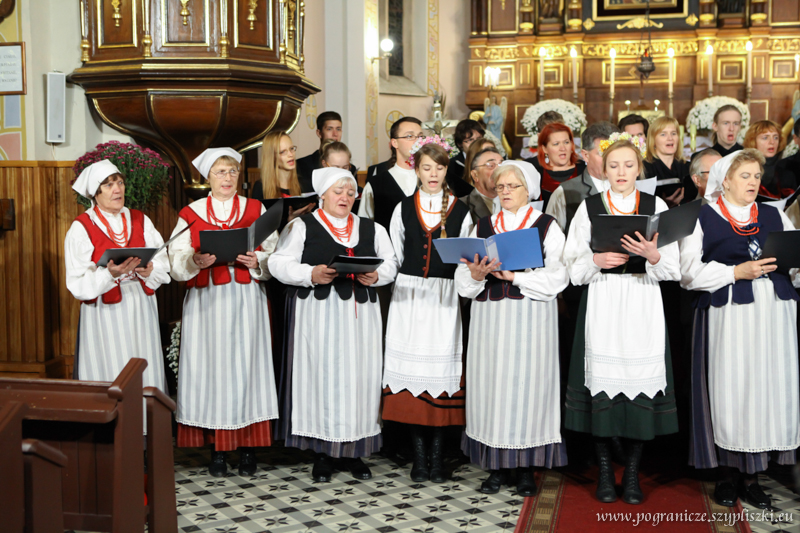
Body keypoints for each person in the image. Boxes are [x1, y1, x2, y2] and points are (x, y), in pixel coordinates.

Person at [564, 134, 680, 505]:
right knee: (603, 386)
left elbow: (675, 267)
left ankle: (631, 475)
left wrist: (652, 254)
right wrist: (594, 261)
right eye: (613, 165)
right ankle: (602, 472)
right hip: (603, 299)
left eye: (629, 165)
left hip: (642, 299)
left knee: (638, 384)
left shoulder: (655, 203)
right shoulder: (590, 206)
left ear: (639, 168)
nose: (621, 172)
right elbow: (571, 264)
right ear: (602, 167)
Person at [680, 149, 800, 509]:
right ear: (726, 180)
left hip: (774, 314)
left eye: (755, 175)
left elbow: (794, 261)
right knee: (732, 387)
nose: (753, 182)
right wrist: (736, 272)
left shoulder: (774, 214)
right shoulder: (703, 216)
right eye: (744, 175)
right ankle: (728, 475)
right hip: (729, 313)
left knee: (767, 389)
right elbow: (688, 273)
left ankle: (753, 477)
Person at [268, 167, 399, 483]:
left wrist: (378, 275)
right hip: (319, 313)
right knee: (322, 376)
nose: (345, 197)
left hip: (361, 318)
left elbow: (392, 262)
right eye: (338, 191)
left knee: (360, 378)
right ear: (323, 194)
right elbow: (277, 262)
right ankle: (322, 454)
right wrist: (309, 274)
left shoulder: (372, 228)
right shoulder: (302, 225)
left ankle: (355, 451)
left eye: (350, 192)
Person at [456, 160, 569, 496]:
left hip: (532, 318)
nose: (505, 192)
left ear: (528, 190)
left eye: (512, 187)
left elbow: (560, 276)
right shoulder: (482, 225)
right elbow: (463, 278)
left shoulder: (546, 225)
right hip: (491, 319)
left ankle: (524, 468)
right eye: (500, 187)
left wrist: (516, 276)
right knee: (492, 387)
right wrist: (476, 275)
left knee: (529, 388)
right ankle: (496, 466)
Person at [168, 148, 280, 478]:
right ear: (208, 178)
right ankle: (217, 449)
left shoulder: (256, 209)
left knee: (248, 367)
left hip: (246, 297)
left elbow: (275, 253)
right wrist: (194, 261)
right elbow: (175, 260)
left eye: (232, 172)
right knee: (212, 370)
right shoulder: (190, 213)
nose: (227, 178)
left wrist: (257, 261)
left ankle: (248, 447)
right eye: (220, 172)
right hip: (208, 301)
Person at [382, 140, 472, 483]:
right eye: (426, 168)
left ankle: (437, 456)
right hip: (409, 297)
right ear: (416, 169)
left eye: (439, 167)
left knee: (440, 377)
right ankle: (419, 458)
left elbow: (465, 261)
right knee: (411, 374)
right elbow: (394, 255)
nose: (433, 174)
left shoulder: (462, 212)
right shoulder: (403, 208)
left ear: (447, 170)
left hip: (444, 299)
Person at [65, 160, 170, 432]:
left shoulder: (140, 219)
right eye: (109, 184)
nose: (117, 189)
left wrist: (149, 270)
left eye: (120, 182)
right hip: (105, 313)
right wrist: (108, 275)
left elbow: (164, 262)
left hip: (140, 306)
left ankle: (147, 440)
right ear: (95, 193)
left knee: (143, 367)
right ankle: (110, 438)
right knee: (111, 368)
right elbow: (77, 282)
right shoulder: (81, 227)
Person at [546, 121, 619, 233]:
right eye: (602, 153)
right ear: (586, 156)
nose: (611, 160)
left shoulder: (630, 186)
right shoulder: (566, 192)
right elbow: (552, 239)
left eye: (615, 153)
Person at [358, 117, 424, 230]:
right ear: (394, 142)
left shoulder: (433, 178)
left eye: (421, 136)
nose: (418, 141)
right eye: (410, 136)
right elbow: (365, 225)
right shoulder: (376, 184)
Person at [527, 122, 585, 211]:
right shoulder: (535, 174)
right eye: (556, 144)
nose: (563, 148)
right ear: (545, 149)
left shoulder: (584, 170)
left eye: (566, 142)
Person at [296, 111, 357, 190]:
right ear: (319, 133)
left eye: (338, 129)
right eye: (329, 129)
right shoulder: (302, 165)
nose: (335, 134)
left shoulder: (351, 168)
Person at [251, 130, 314, 204]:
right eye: (283, 152)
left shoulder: (306, 185)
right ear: (272, 157)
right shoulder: (260, 187)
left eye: (291, 149)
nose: (291, 154)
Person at [644, 117, 689, 208]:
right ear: (653, 140)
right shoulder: (643, 168)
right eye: (663, 134)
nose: (670, 138)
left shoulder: (687, 166)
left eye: (673, 133)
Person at [743, 120, 795, 198]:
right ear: (753, 141)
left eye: (775, 137)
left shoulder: (787, 171)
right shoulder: (743, 169)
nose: (772, 142)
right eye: (765, 137)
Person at [462, 145, 502, 223]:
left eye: (501, 165)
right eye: (491, 165)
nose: (499, 170)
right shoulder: (462, 206)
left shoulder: (514, 203)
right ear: (475, 175)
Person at [446, 119, 484, 198]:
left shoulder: (491, 161)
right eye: (470, 140)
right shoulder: (452, 165)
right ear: (460, 143)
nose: (476, 143)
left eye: (479, 139)